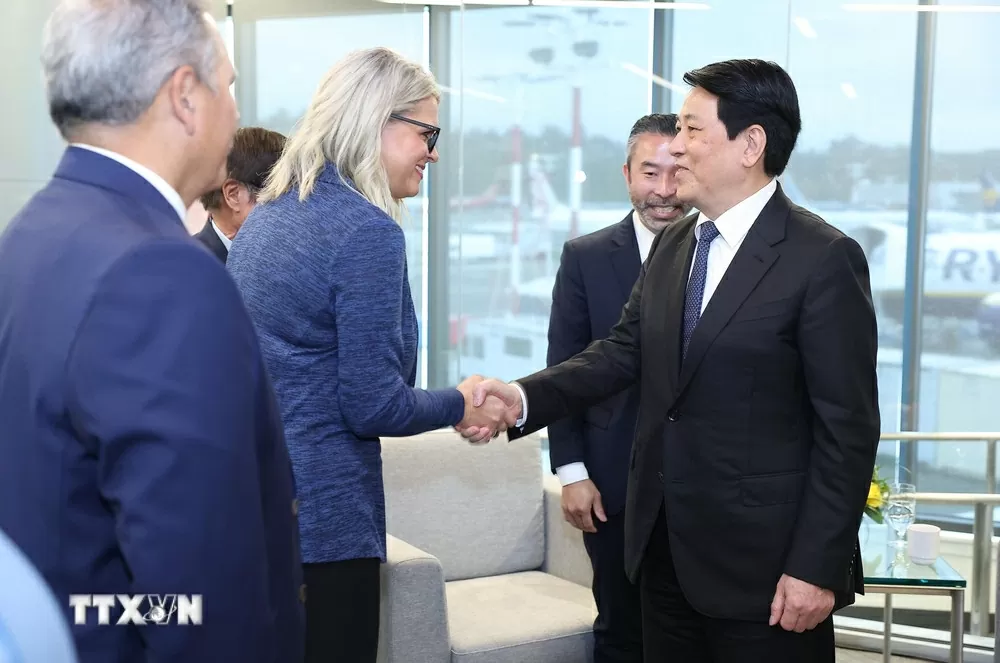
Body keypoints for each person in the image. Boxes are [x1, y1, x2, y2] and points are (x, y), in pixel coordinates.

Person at [463, 59, 880, 663]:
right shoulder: (677, 243)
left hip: (765, 575)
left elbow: (848, 429)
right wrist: (522, 399)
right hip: (661, 557)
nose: (676, 148)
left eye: (691, 131)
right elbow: (618, 353)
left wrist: (817, 567)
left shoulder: (823, 258)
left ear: (751, 144)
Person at [0, 1, 304, 662]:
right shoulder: (162, 272)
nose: (233, 109)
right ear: (185, 96)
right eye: (228, 85)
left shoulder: (29, 234)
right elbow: (198, 597)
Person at [227, 47, 507, 663]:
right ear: (376, 120)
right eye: (426, 133)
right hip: (325, 525)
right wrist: (461, 400)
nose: (434, 151)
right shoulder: (365, 232)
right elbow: (373, 404)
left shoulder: (271, 215)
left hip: (259, 511)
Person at [547, 112, 690, 663]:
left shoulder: (715, 253)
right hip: (611, 480)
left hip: (694, 483)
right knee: (620, 628)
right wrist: (573, 472)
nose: (664, 191)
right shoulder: (584, 257)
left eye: (676, 173)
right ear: (627, 174)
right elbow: (566, 366)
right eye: (649, 173)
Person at [195, 126, 286, 262]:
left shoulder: (288, 259)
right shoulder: (184, 269)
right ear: (234, 195)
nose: (291, 209)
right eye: (282, 194)